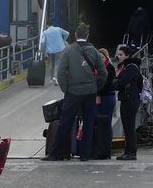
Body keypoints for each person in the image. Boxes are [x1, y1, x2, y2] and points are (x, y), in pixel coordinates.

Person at [45, 24, 105, 162]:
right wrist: (96, 87)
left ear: (76, 35)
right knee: (89, 122)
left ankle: (55, 154)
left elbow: (60, 73)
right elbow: (103, 73)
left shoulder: (69, 50)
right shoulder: (94, 51)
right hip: (90, 92)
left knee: (65, 122)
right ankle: (85, 154)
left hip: (73, 91)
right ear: (87, 35)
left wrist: (66, 88)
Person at [114, 44, 142, 161]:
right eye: (118, 54)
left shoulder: (130, 67)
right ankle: (128, 151)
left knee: (129, 126)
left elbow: (121, 82)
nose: (118, 57)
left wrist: (117, 82)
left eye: (121, 55)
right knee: (127, 126)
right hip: (128, 98)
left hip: (130, 99)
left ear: (127, 55)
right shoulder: (128, 67)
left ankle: (131, 152)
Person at [92, 47, 117, 159]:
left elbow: (108, 84)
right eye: (98, 57)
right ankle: (98, 147)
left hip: (106, 97)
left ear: (106, 57)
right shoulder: (94, 68)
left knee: (106, 123)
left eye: (102, 57)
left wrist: (95, 88)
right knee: (97, 123)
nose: (100, 59)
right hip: (97, 97)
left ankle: (106, 147)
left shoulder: (110, 68)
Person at [39, 20, 70, 86]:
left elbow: (42, 42)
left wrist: (41, 50)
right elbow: (67, 33)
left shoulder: (45, 32)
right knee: (57, 63)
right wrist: (63, 40)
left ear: (47, 25)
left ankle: (51, 78)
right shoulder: (58, 29)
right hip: (60, 49)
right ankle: (55, 77)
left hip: (50, 50)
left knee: (52, 64)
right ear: (53, 24)